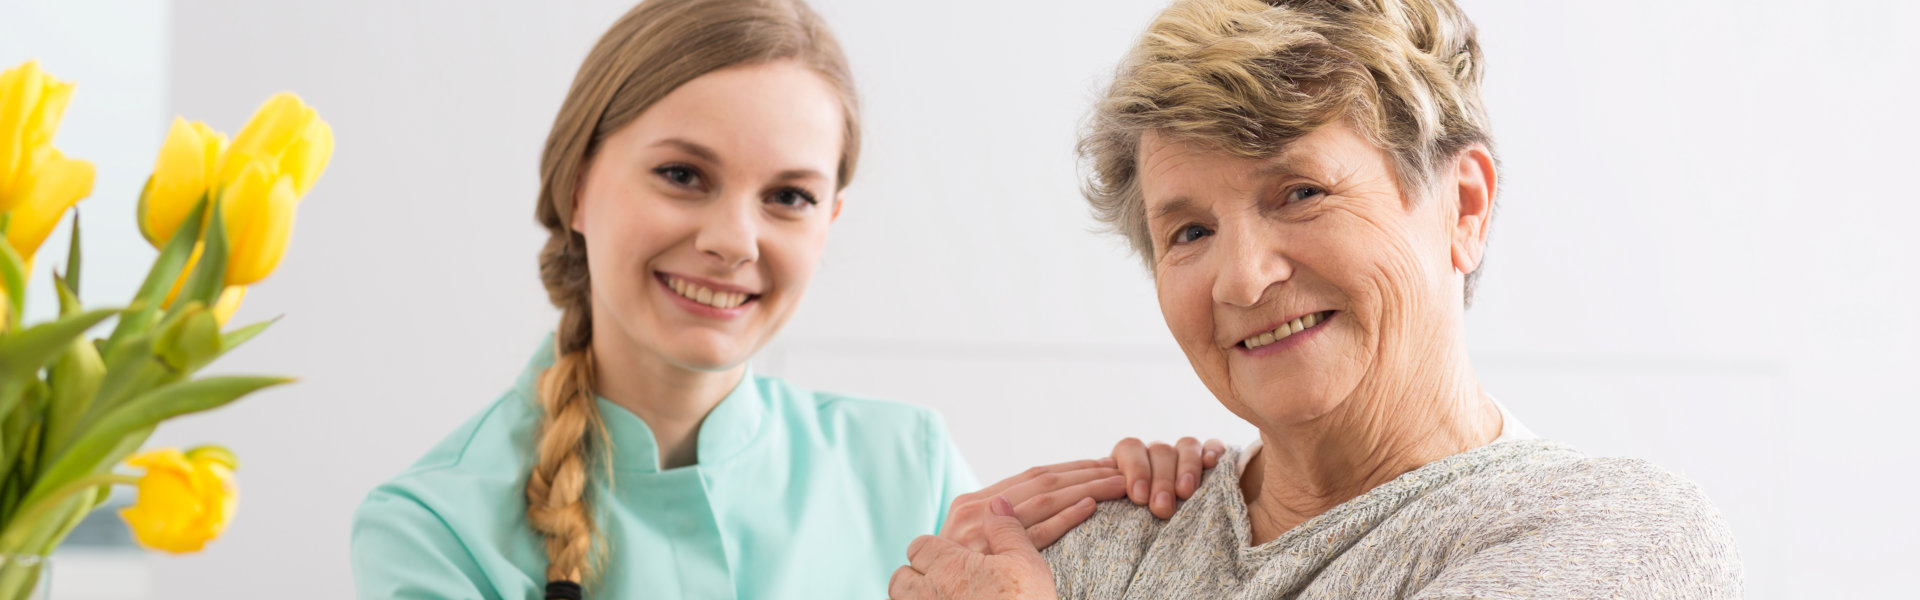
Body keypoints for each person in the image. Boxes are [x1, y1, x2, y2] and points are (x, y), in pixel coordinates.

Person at [348, 1, 1217, 598]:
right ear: (578, 186)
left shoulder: (906, 463)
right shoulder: (433, 528)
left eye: (788, 196)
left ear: (830, 221)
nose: (734, 239)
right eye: (683, 176)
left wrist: (1168, 515)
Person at [889, 0, 1744, 598]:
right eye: (1188, 233)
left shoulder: (1609, 536)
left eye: (1299, 192)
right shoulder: (1093, 539)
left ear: (1465, 206)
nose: (1243, 278)